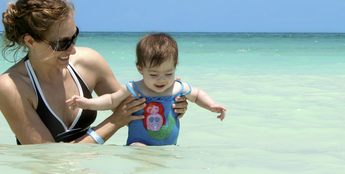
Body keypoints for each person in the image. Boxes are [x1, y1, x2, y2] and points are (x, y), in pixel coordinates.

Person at [0, 0, 189, 145]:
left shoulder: (89, 62)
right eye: (61, 43)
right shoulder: (13, 86)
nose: (72, 50)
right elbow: (48, 158)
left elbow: (136, 107)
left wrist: (169, 100)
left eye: (74, 37)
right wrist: (114, 122)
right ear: (30, 41)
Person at [66, 33, 226, 146]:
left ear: (175, 66)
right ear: (140, 68)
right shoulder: (134, 88)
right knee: (138, 151)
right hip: (138, 144)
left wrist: (211, 105)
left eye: (168, 73)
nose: (162, 79)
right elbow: (110, 100)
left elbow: (198, 95)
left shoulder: (178, 87)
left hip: (169, 147)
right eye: (154, 74)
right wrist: (87, 103)